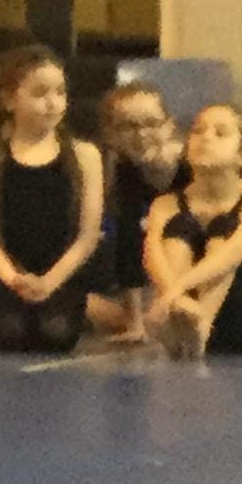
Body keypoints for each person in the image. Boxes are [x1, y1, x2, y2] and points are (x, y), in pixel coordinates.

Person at [0, 42, 104, 354]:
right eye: (40, 93)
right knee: (10, 334)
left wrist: (49, 283)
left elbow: (87, 236)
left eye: (60, 92)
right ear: (9, 100)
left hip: (61, 274)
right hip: (9, 274)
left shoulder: (84, 155)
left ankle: (92, 309)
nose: (53, 103)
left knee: (56, 334)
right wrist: (14, 279)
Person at [146, 102, 242, 358]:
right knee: (180, 226)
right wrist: (174, 297)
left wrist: (176, 290)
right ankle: (182, 327)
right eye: (198, 131)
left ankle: (202, 326)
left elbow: (233, 253)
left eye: (220, 133)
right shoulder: (166, 203)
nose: (205, 138)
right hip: (183, 310)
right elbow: (152, 255)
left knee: (224, 227)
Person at [86, 81, 185, 340]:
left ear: (169, 125)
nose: (141, 134)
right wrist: (135, 323)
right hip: (152, 274)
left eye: (151, 123)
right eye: (128, 126)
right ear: (110, 134)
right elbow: (127, 248)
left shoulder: (192, 168)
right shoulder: (123, 171)